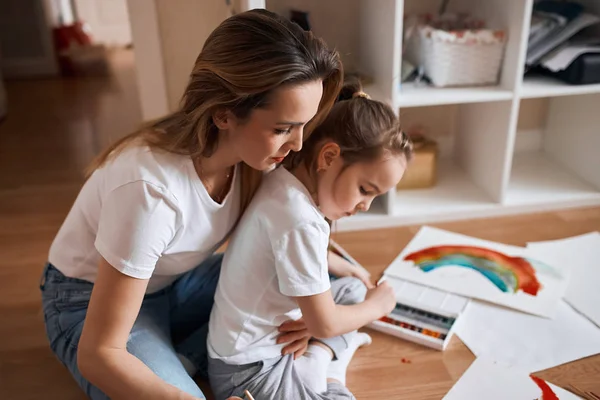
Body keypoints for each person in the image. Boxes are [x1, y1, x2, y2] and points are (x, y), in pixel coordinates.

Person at [40, 9, 344, 400]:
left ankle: (178, 354)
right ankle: (178, 359)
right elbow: (99, 354)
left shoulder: (258, 157)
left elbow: (302, 237)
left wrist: (331, 280)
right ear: (224, 116)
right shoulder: (151, 190)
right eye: (283, 129)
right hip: (87, 301)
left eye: (306, 124)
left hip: (175, 280)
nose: (298, 144)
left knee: (330, 290)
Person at [207, 80, 414, 400]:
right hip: (251, 372)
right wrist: (377, 307)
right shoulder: (300, 221)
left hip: (265, 343)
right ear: (329, 157)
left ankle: (316, 360)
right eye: (365, 190)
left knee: (356, 287)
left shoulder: (284, 180)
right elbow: (326, 323)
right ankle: (327, 369)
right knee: (360, 306)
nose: (365, 206)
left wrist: (337, 268)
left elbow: (284, 252)